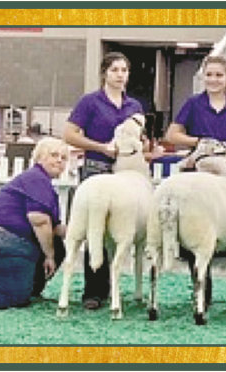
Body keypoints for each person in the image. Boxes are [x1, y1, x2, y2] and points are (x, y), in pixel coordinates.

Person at [164, 55, 226, 309]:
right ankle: (203, 292)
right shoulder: (193, 104)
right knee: (198, 229)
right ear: (203, 77)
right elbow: (172, 134)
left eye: (219, 75)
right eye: (209, 75)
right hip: (199, 170)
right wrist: (200, 142)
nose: (213, 80)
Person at [63, 51, 143, 310]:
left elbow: (139, 140)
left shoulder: (134, 106)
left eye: (124, 70)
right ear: (105, 73)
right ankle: (93, 292)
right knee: (94, 229)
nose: (120, 75)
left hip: (126, 174)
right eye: (115, 70)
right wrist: (100, 147)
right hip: (97, 168)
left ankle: (114, 287)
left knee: (119, 231)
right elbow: (69, 134)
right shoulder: (90, 102)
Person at [0, 137, 68, 308]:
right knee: (8, 297)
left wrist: (85, 231)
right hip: (0, 239)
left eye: (63, 158)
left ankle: (27, 288)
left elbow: (54, 229)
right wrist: (49, 256)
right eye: (54, 155)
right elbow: (40, 221)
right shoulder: (37, 179)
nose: (59, 160)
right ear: (39, 158)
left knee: (56, 244)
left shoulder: (37, 181)